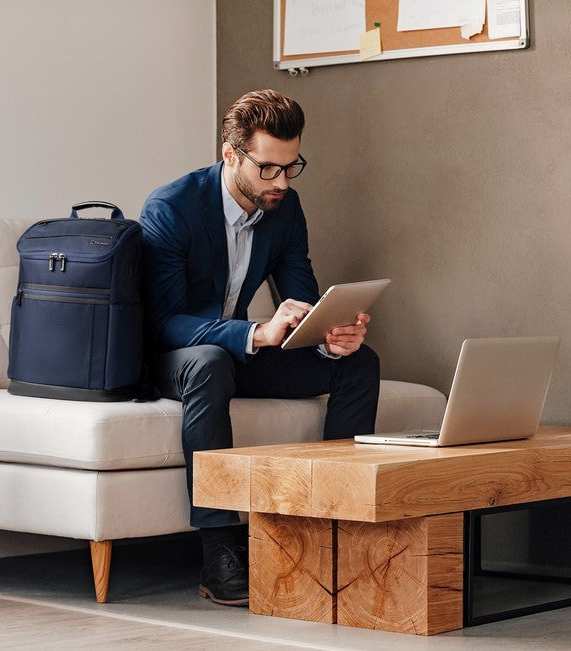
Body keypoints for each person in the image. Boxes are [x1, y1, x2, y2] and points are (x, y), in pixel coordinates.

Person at [139, 89, 380, 606]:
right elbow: (163, 323)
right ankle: (219, 547)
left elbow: (302, 297)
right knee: (208, 364)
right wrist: (255, 333)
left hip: (236, 355)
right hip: (176, 358)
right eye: (270, 169)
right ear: (232, 155)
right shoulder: (171, 207)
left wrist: (328, 335)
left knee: (359, 361)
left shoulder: (284, 208)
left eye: (292, 168)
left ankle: (333, 530)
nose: (282, 182)